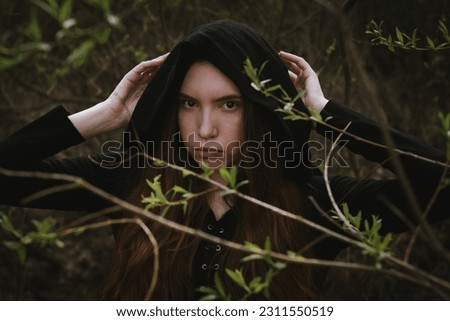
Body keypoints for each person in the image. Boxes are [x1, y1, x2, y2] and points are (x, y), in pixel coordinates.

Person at [0, 20, 448, 300]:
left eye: (229, 105)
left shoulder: (314, 204)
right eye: (188, 104)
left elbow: (441, 189)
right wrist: (107, 114)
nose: (205, 128)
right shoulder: (135, 183)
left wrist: (324, 114)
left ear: (258, 111)